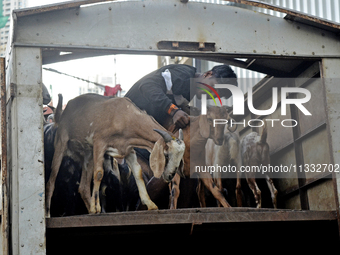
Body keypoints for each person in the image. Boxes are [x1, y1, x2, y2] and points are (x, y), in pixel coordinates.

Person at [125, 64, 238, 128]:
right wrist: (173, 110)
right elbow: (147, 85)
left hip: (139, 127)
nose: (210, 95)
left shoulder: (190, 91)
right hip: (125, 120)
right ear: (208, 74)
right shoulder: (183, 75)